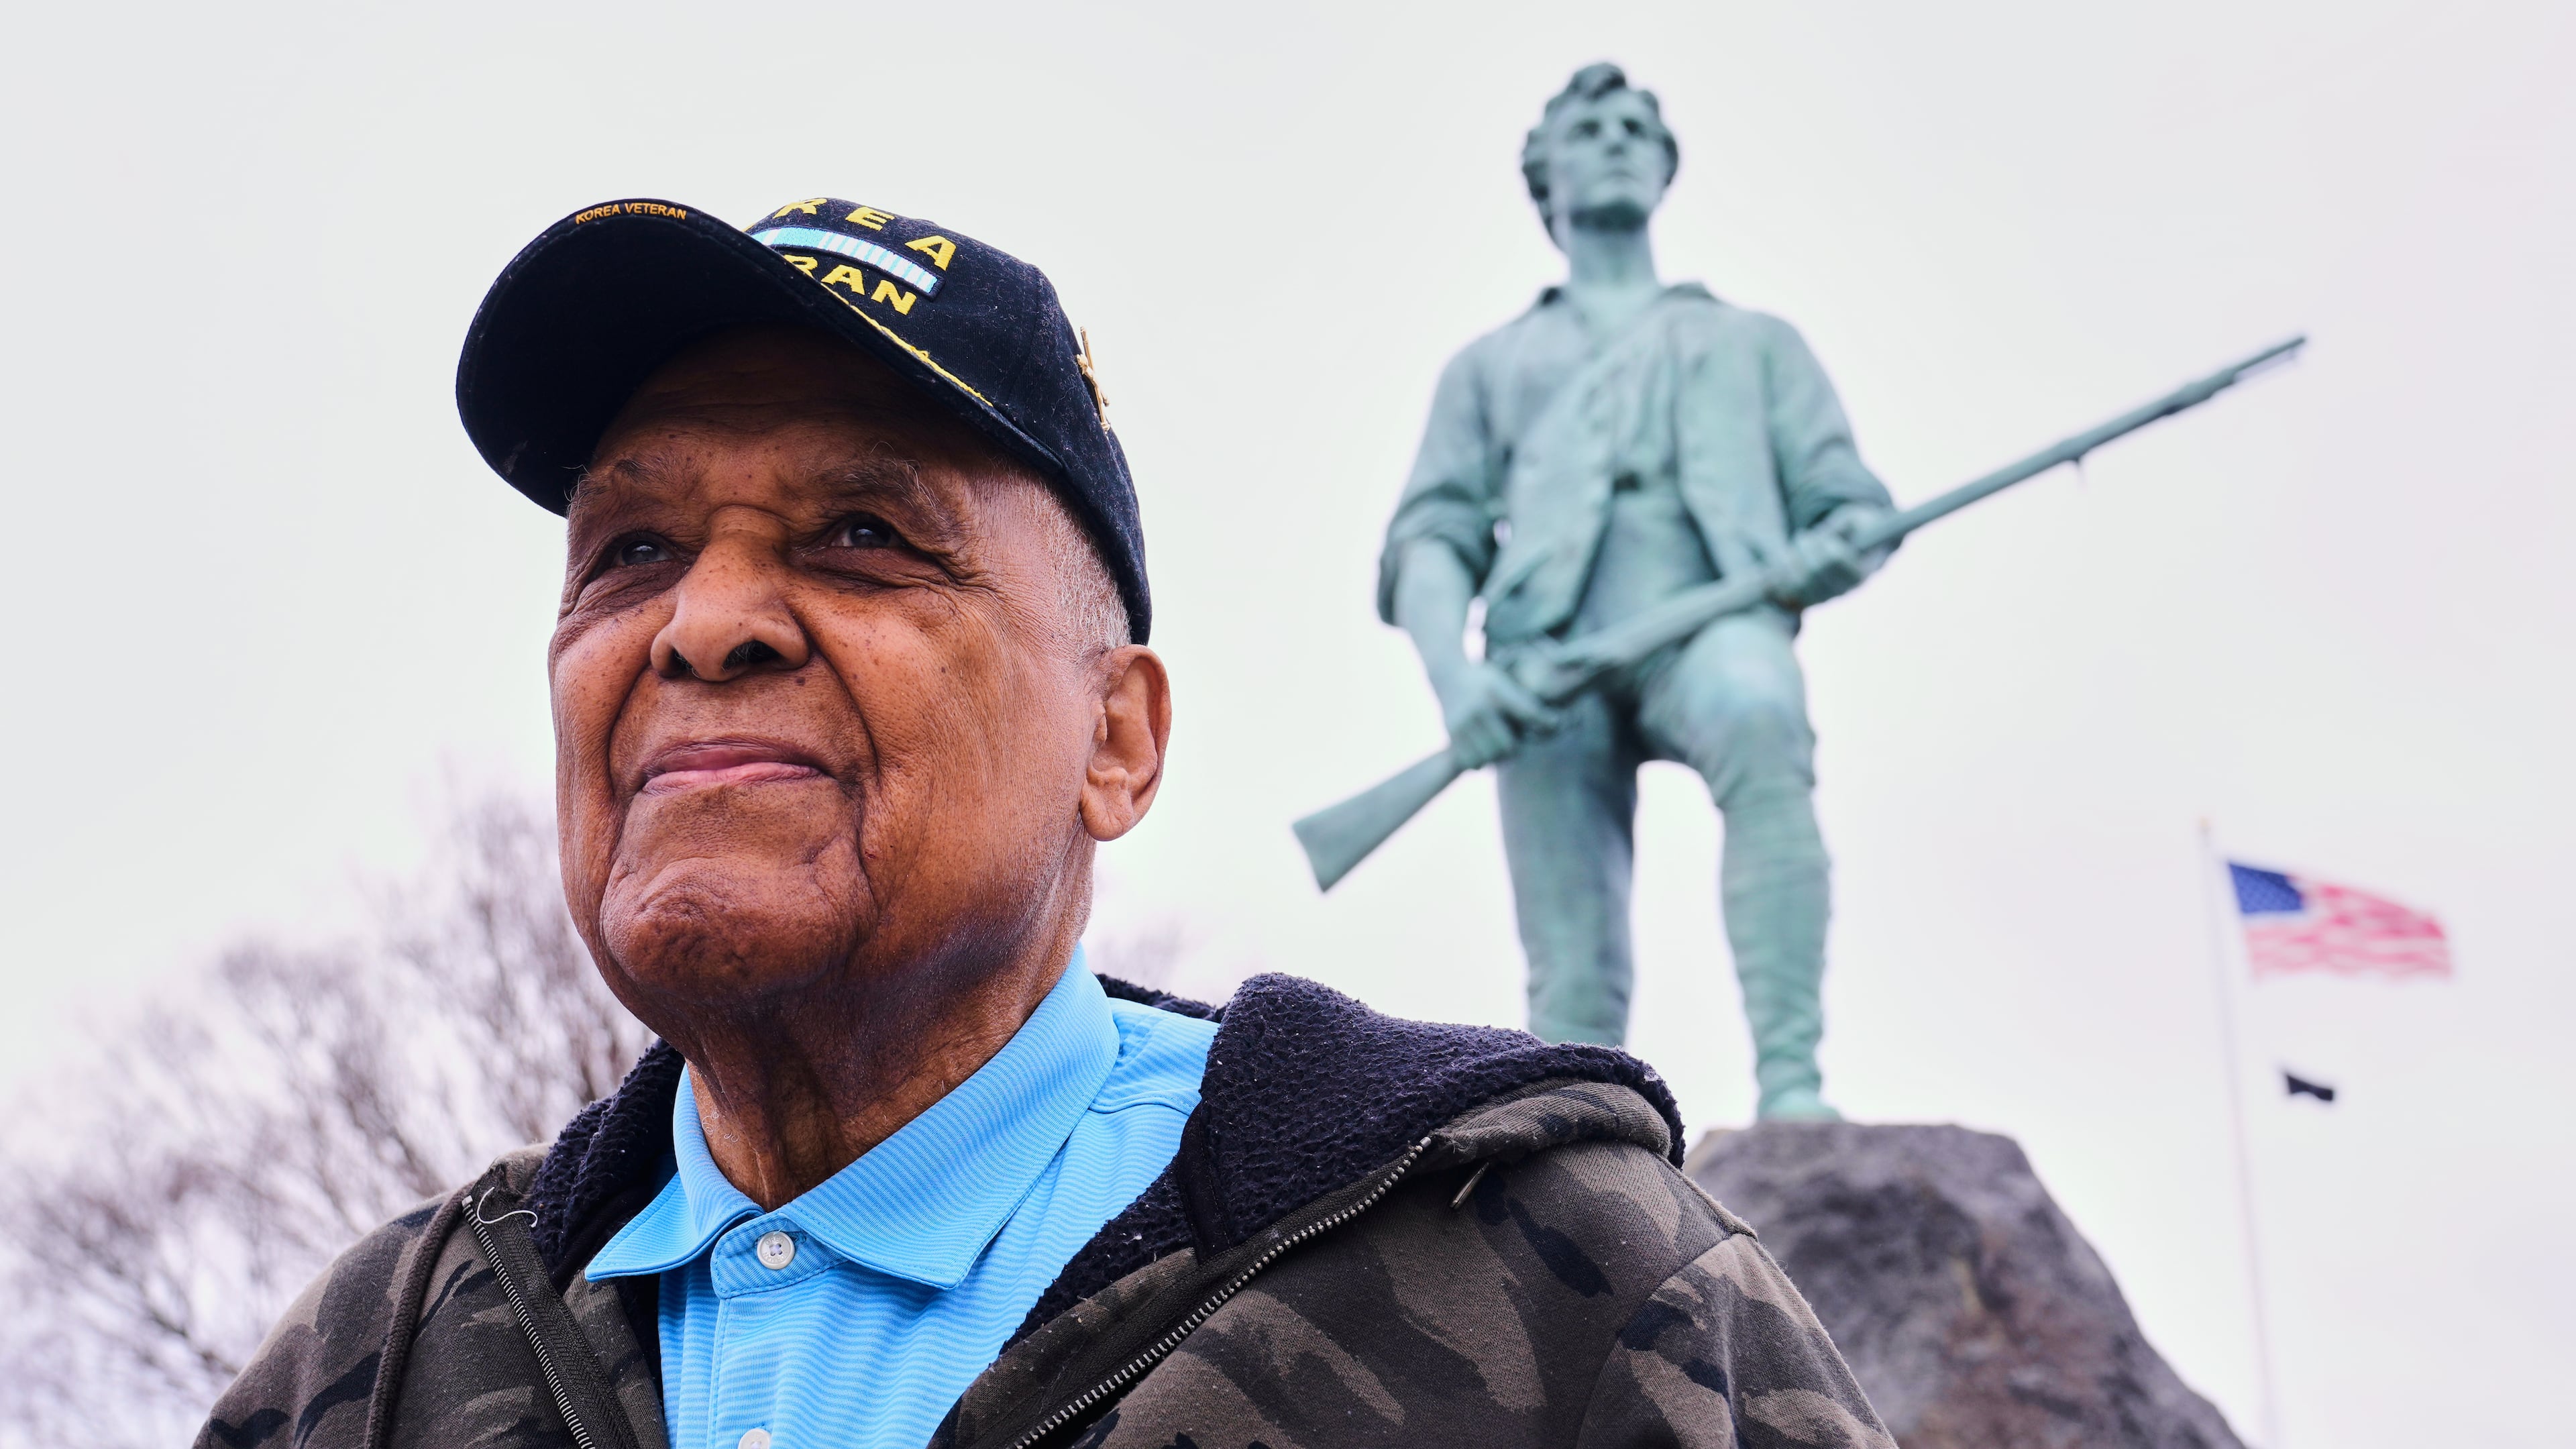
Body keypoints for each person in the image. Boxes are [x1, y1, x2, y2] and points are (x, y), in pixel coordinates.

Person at [200, 193, 1893, 1449]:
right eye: (628, 550)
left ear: (1119, 738)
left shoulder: (1560, 1290)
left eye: (863, 532)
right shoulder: (374, 1369)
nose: (702, 623)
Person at [1379, 64, 1895, 1120]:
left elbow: (1852, 503)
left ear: (1664, 167)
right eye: (1589, 129)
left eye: (1634, 128)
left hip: (1710, 623)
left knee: (1759, 712)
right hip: (1545, 663)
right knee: (1571, 960)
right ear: (1545, 176)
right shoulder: (1492, 366)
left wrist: (1841, 537)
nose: (1615, 140)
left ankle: (1792, 1081)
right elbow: (1431, 536)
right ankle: (1582, 1148)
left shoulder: (1755, 344)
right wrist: (1458, 682)